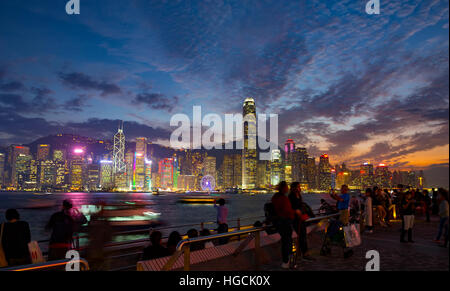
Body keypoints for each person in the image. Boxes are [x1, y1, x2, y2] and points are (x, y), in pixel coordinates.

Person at [272, 181, 296, 269]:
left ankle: (285, 261)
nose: (288, 189)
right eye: (286, 187)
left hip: (278, 222)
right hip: (285, 222)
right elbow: (287, 211)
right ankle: (286, 261)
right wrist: (295, 212)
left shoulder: (275, 197)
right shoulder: (283, 198)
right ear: (284, 188)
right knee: (287, 242)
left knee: (285, 241)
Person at [288, 182, 313, 261]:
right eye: (298, 187)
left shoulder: (299, 196)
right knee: (302, 236)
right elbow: (291, 207)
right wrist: (296, 211)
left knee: (303, 235)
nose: (300, 188)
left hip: (301, 218)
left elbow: (301, 205)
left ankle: (304, 253)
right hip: (296, 219)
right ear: (294, 188)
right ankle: (304, 254)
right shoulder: (291, 196)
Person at [86, 206, 112, 271]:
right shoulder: (104, 225)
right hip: (100, 251)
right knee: (100, 266)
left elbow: (89, 235)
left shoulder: (91, 225)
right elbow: (108, 238)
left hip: (91, 251)